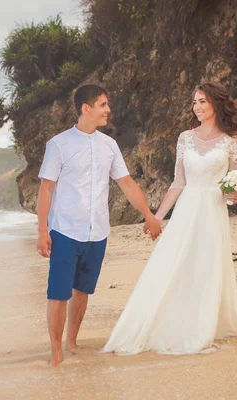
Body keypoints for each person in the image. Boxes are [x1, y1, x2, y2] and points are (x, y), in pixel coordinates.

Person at [102, 81, 237, 355]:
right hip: (187, 208)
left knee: (206, 265)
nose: (196, 107)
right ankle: (172, 321)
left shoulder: (233, 141)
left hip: (212, 209)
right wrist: (157, 217)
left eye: (202, 101)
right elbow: (178, 183)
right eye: (195, 102)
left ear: (216, 104)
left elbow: (232, 184)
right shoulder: (185, 138)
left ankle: (202, 325)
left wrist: (236, 195)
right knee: (175, 263)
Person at [36, 84, 162, 366]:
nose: (108, 110)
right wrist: (43, 231)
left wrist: (148, 215)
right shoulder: (58, 145)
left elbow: (126, 184)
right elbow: (46, 190)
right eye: (103, 104)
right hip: (65, 231)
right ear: (86, 108)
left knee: (83, 290)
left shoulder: (109, 146)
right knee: (58, 293)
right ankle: (56, 350)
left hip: (98, 232)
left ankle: (72, 341)